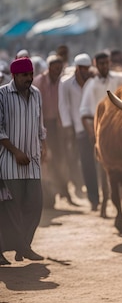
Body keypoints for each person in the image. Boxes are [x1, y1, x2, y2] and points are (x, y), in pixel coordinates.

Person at [0, 57, 47, 263]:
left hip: (33, 162)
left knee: (35, 205)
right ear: (15, 76)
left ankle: (24, 247)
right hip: (10, 163)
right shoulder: (2, 95)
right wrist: (15, 151)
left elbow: (40, 126)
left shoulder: (36, 94)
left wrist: (44, 147)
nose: (29, 79)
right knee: (10, 210)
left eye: (30, 75)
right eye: (24, 75)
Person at [79, 52, 122, 211]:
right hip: (101, 130)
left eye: (106, 63)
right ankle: (105, 200)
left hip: (120, 130)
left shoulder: (119, 79)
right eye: (101, 64)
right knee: (104, 166)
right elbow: (84, 112)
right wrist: (92, 132)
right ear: (96, 64)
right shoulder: (91, 85)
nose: (104, 66)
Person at [33, 54, 75, 208]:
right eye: (55, 68)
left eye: (60, 68)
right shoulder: (39, 82)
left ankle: (63, 191)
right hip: (43, 125)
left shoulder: (62, 82)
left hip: (58, 125)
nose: (58, 71)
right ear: (49, 67)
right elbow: (37, 108)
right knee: (47, 159)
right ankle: (52, 194)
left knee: (60, 159)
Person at [59, 54, 93, 205]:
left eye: (88, 68)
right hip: (76, 127)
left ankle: (93, 194)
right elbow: (63, 106)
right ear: (78, 68)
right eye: (83, 68)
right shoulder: (65, 83)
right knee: (76, 158)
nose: (86, 71)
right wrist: (68, 126)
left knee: (91, 161)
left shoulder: (93, 82)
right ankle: (79, 186)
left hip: (93, 127)